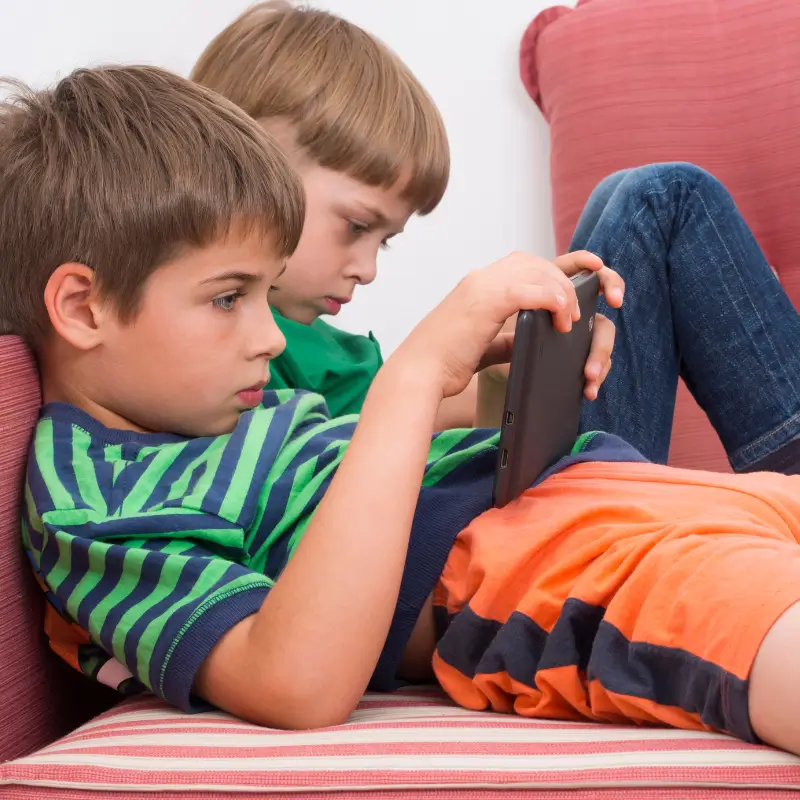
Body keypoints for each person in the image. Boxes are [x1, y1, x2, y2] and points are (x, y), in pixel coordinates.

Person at [9, 65, 800, 757]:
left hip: (618, 495)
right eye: (227, 298)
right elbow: (295, 682)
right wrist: (413, 377)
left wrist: (487, 362)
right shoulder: (93, 502)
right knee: (749, 612)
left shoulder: (209, 410)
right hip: (536, 567)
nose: (266, 337)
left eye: (262, 293)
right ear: (83, 307)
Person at [189, 1, 618, 428]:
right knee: (646, 199)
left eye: (384, 240)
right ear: (241, 173)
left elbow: (448, 465)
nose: (368, 270)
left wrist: (502, 368)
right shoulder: (221, 364)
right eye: (356, 226)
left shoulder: (348, 363)